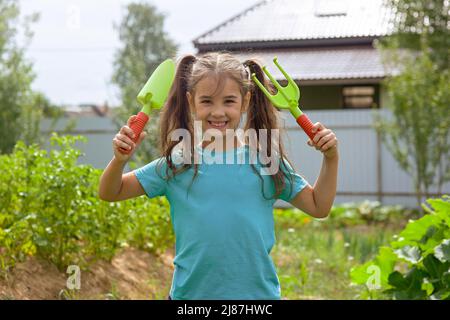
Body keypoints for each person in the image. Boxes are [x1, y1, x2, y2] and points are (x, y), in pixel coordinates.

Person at [98, 52, 339, 300]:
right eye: (207, 101)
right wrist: (119, 161)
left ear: (245, 102)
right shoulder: (177, 164)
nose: (218, 111)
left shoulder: (266, 162)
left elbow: (318, 206)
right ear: (191, 102)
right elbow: (110, 192)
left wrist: (331, 158)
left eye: (229, 101)